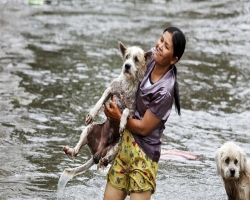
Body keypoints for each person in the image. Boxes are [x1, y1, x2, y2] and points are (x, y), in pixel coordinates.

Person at [103, 27, 186, 200]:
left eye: (166, 46)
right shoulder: (148, 61)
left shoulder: (165, 91)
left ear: (174, 59)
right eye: (161, 39)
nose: (160, 46)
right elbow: (125, 76)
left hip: (144, 155)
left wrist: (118, 116)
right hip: (125, 146)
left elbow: (143, 129)